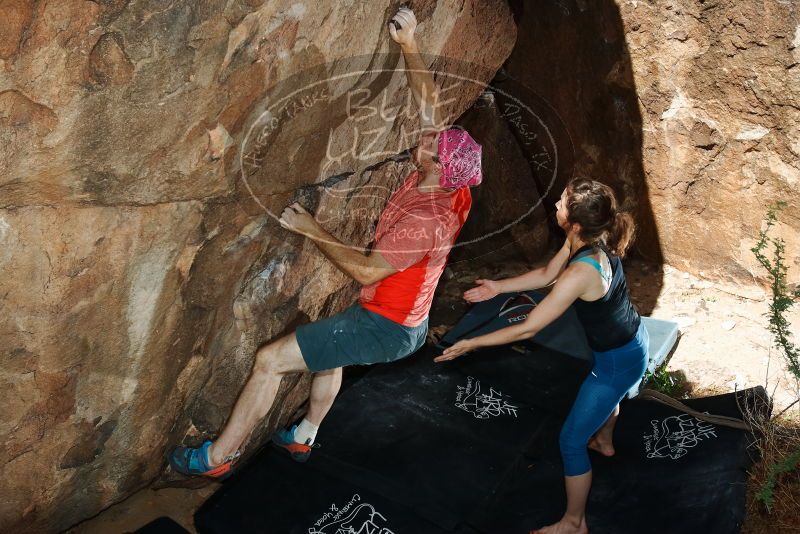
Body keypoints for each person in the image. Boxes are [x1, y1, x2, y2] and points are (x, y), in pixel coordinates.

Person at [168, 7, 482, 479]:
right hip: (401, 320)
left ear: (439, 166)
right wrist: (410, 44)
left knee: (270, 361)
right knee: (331, 353)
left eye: (429, 147)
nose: (422, 140)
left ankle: (216, 459)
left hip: (386, 326)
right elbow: (429, 103)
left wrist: (312, 229)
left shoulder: (427, 219)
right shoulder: (454, 183)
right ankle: (302, 438)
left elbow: (367, 271)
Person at [435, 178, 647, 534]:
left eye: (562, 204)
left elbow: (528, 328)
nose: (556, 206)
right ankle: (606, 442)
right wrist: (497, 287)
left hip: (617, 360)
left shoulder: (583, 271)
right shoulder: (591, 239)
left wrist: (472, 343)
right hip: (628, 342)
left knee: (570, 442)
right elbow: (549, 274)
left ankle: (573, 523)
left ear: (576, 222)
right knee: (612, 395)